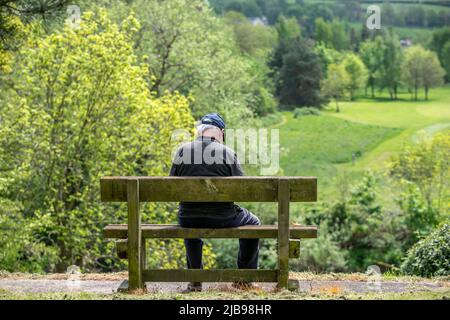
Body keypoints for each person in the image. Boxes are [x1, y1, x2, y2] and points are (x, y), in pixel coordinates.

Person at [169, 113, 261, 293]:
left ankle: (195, 281)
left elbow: (171, 185)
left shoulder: (182, 151)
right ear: (221, 132)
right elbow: (242, 188)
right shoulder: (227, 152)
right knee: (255, 223)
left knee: (189, 217)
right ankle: (244, 280)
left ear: (200, 131)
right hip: (223, 217)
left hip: (189, 217)